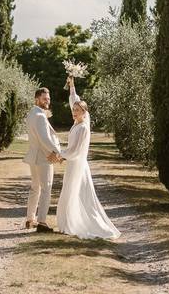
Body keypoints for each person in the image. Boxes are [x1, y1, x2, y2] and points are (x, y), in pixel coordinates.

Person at [53, 75, 121, 240]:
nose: (74, 112)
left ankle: (81, 224)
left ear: (85, 112)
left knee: (78, 194)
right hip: (73, 165)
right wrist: (72, 85)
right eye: (74, 110)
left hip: (78, 166)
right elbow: (74, 100)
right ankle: (68, 223)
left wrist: (60, 155)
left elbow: (75, 150)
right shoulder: (77, 123)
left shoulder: (83, 128)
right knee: (70, 192)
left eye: (78, 110)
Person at [23, 86, 61, 232]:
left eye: (49, 98)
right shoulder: (39, 116)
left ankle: (30, 219)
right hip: (43, 157)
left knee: (35, 188)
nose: (47, 101)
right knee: (46, 188)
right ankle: (42, 222)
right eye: (44, 98)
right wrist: (57, 152)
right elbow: (44, 139)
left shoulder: (32, 113)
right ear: (37, 99)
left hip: (34, 156)